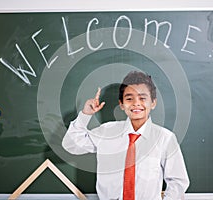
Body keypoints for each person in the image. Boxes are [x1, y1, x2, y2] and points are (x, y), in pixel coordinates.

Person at [62, 71, 189, 200]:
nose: (136, 103)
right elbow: (71, 145)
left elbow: (177, 182)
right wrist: (85, 115)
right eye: (129, 98)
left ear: (153, 103)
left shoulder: (165, 138)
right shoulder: (106, 132)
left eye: (142, 98)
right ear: (121, 104)